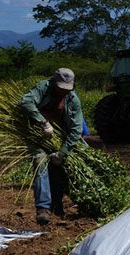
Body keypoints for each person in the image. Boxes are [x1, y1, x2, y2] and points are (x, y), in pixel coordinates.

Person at [20, 68, 85, 225]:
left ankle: (58, 206)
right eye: (61, 87)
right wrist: (43, 122)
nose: (64, 91)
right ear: (54, 82)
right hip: (38, 136)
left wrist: (62, 152)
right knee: (40, 162)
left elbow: (76, 129)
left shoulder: (72, 99)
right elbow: (26, 102)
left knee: (59, 168)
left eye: (67, 88)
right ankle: (43, 208)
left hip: (60, 139)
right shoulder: (43, 88)